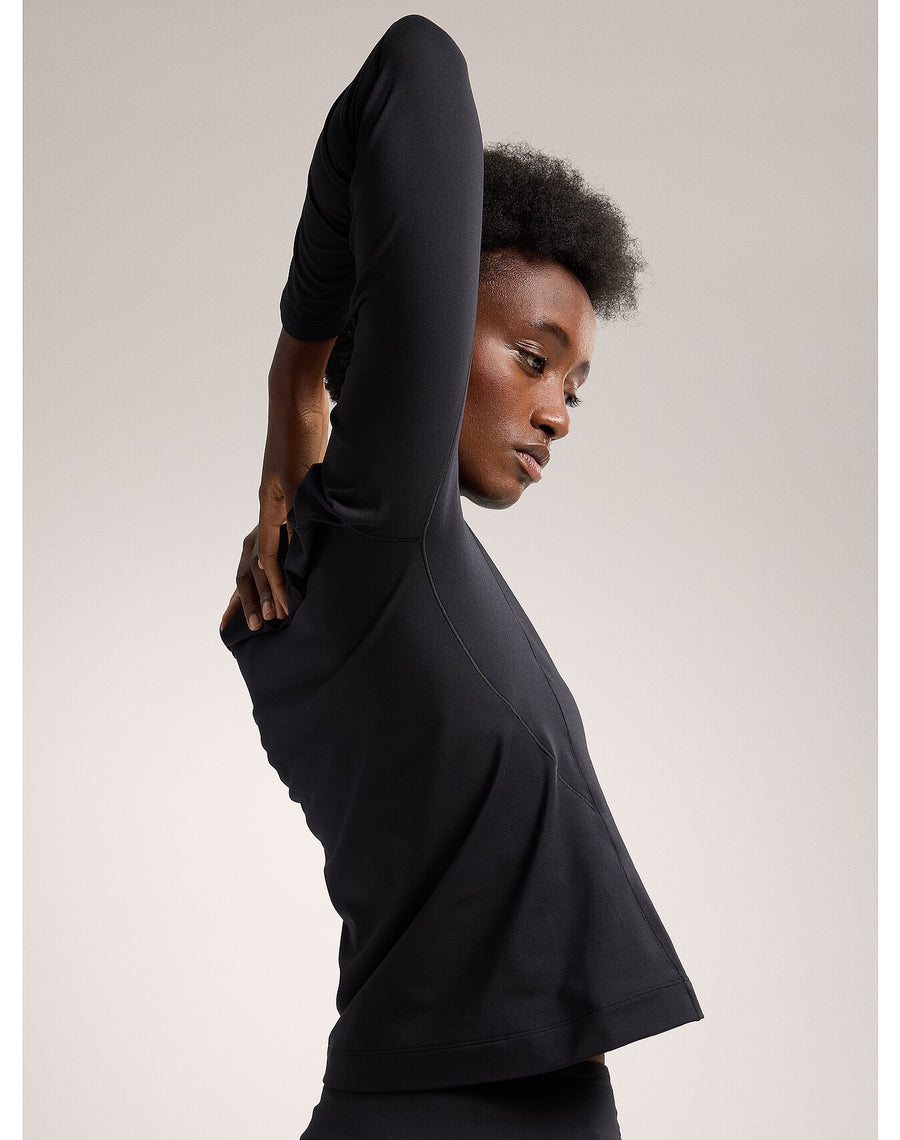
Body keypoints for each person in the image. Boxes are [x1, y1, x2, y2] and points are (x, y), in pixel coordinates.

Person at [219, 13, 703, 1138]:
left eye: (574, 387)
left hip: (501, 1097)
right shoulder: (384, 531)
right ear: (428, 339)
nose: (558, 411)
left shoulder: (397, 569)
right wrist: (296, 390)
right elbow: (418, 63)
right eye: (533, 358)